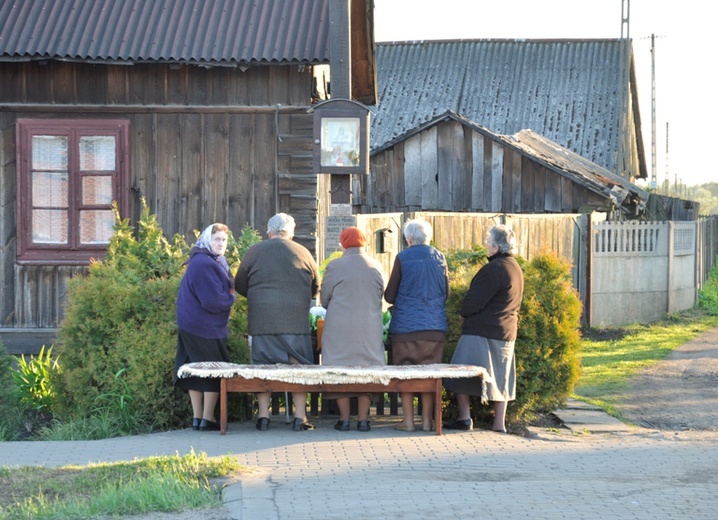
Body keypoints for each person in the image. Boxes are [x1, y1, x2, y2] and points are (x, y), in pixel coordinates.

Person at [235, 213, 320, 431]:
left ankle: (263, 417)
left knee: (263, 367)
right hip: (295, 323)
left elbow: (240, 284)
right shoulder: (302, 252)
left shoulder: (254, 252)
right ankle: (300, 417)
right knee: (299, 367)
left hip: (262, 322)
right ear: (290, 232)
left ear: (269, 231)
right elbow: (315, 287)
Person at [443, 225, 524, 433]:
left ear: (496, 247)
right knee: (501, 376)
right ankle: (499, 424)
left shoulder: (494, 269)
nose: (485, 244)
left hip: (482, 331)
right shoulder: (515, 267)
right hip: (506, 331)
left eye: (488, 241)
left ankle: (465, 417)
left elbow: (474, 301)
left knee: (460, 372)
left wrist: (463, 313)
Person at [384, 219, 449, 432]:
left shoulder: (403, 258)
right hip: (434, 326)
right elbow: (446, 293)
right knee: (430, 373)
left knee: (406, 372)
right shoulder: (440, 257)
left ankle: (409, 421)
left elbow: (390, 295)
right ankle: (428, 422)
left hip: (406, 328)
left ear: (409, 239)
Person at [320, 227, 386, 432]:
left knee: (341, 369)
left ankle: (345, 418)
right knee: (366, 369)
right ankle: (364, 419)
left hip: (340, 327)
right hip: (369, 326)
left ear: (343, 244)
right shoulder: (377, 265)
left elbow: (324, 300)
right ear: (365, 242)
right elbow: (381, 295)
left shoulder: (335, 266)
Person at [174, 223, 236, 432]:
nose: (220, 243)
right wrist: (231, 299)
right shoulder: (204, 263)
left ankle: (198, 418)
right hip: (204, 327)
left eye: (223, 240)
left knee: (195, 370)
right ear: (208, 240)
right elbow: (212, 301)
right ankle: (207, 418)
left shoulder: (204, 259)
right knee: (213, 370)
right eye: (216, 239)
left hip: (193, 324)